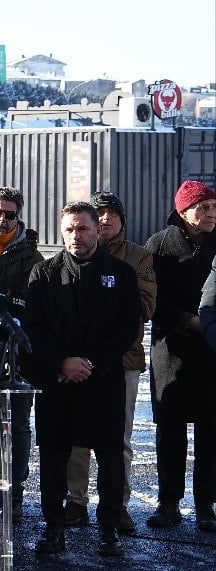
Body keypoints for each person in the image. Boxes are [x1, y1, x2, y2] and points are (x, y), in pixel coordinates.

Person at [26, 202, 141, 558]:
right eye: (70, 230)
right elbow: (34, 328)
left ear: (98, 230)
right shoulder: (43, 274)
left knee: (109, 455)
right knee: (54, 455)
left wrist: (90, 363)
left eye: (84, 229)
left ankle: (109, 529)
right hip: (58, 382)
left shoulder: (121, 274)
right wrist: (63, 362)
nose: (77, 236)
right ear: (62, 232)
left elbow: (128, 327)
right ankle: (54, 527)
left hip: (102, 380)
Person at [63, 192, 156, 533]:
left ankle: (118, 505)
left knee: (119, 440)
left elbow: (145, 308)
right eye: (97, 214)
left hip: (123, 360)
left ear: (121, 220)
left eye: (111, 214)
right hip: (75, 362)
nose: (104, 220)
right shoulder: (70, 258)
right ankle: (76, 501)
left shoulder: (138, 257)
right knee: (76, 438)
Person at [144, 180, 216, 530]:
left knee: (211, 430)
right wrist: (186, 320)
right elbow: (150, 297)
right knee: (170, 431)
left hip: (214, 350)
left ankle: (206, 505)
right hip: (170, 350)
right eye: (203, 208)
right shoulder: (159, 245)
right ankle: (168, 502)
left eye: (214, 207)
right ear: (184, 210)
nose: (211, 214)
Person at [0, 186, 41, 523]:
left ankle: (13, 496)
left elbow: (33, 308)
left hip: (13, 357)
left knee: (14, 431)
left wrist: (4, 301)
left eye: (9, 214)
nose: (2, 220)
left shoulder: (31, 258)